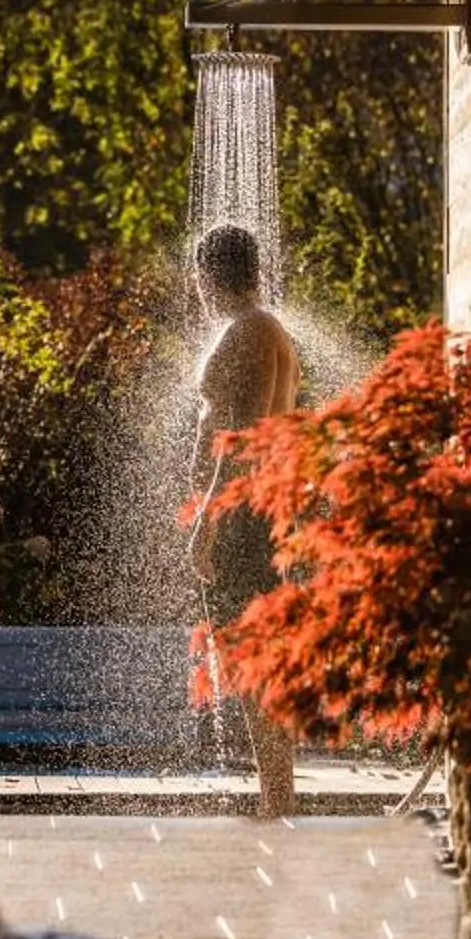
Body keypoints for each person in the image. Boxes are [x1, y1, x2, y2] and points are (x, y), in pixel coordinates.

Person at [187, 222, 302, 817]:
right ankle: (274, 795)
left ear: (211, 274)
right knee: (248, 655)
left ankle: (278, 798)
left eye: (199, 275)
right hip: (251, 511)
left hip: (244, 515)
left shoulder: (252, 329)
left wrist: (208, 517)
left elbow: (245, 436)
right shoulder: (262, 328)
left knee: (253, 656)